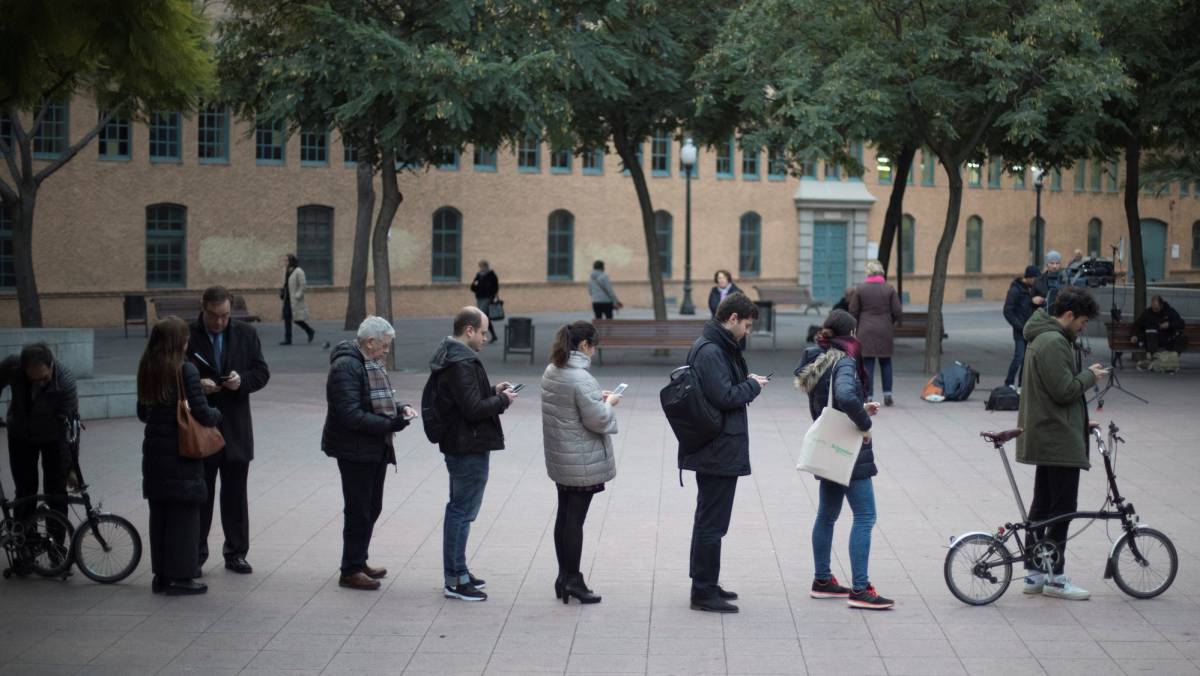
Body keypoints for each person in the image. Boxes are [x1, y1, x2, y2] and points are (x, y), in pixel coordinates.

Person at [794, 309, 892, 610]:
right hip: (848, 449)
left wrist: (861, 406)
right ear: (850, 334)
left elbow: (832, 399)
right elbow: (846, 397)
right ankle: (861, 588)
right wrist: (864, 422)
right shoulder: (845, 360)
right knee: (865, 516)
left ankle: (822, 580)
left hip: (828, 444)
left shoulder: (819, 359)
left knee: (827, 515)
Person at [681, 293, 769, 613]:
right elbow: (724, 395)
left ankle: (705, 581)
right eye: (746, 325)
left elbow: (722, 388)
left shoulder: (715, 345)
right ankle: (703, 590)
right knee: (712, 523)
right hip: (717, 448)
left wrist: (745, 381)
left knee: (709, 518)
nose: (747, 332)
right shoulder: (712, 350)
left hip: (715, 446)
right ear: (732, 319)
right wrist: (752, 387)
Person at [1016, 286, 1106, 601]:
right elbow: (1064, 390)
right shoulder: (1053, 341)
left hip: (1049, 431)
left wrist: (1079, 421)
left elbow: (1053, 394)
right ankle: (1054, 577)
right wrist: (1090, 377)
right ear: (1068, 315)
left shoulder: (1045, 337)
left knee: (1043, 505)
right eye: (1081, 322)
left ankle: (1035, 573)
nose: (1083, 328)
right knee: (1061, 509)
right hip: (1057, 438)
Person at [427, 307, 517, 601]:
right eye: (483, 331)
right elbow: (473, 409)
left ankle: (460, 570)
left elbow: (466, 398)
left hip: (462, 443)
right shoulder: (461, 362)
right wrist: (502, 401)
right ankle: (455, 579)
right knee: (461, 511)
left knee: (461, 509)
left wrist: (493, 390)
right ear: (468, 330)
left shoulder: (452, 356)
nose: (486, 337)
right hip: (467, 445)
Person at [322, 316, 415, 591]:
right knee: (359, 510)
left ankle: (359, 559)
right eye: (384, 345)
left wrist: (400, 408)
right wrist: (390, 424)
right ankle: (350, 569)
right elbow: (350, 413)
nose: (387, 350)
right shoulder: (347, 366)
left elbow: (376, 400)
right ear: (370, 341)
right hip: (354, 450)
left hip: (373, 447)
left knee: (371, 507)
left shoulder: (368, 362)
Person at [138, 316, 222, 595]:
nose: (188, 342)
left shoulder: (147, 367)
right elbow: (201, 412)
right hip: (181, 452)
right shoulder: (185, 370)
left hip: (154, 452)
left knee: (160, 515)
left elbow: (142, 412)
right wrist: (216, 410)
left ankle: (161, 575)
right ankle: (182, 578)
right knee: (185, 517)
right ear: (178, 342)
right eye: (185, 338)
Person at [189, 286, 271, 575]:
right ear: (203, 309)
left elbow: (262, 372)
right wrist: (197, 385)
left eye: (224, 316)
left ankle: (236, 552)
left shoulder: (246, 334)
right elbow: (176, 373)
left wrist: (242, 381)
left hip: (235, 426)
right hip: (202, 428)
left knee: (236, 495)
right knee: (202, 494)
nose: (219, 323)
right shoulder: (190, 335)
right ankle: (196, 554)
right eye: (213, 316)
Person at [540, 321, 620, 605]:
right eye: (594, 346)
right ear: (584, 346)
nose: (594, 352)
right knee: (575, 521)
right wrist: (609, 403)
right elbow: (597, 419)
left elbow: (569, 406)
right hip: (581, 460)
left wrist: (596, 398)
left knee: (564, 517)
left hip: (562, 457)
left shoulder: (554, 370)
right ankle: (573, 579)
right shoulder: (581, 377)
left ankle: (563, 576)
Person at [0, 344, 78, 529]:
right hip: (21, 434)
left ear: (51, 365)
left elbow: (71, 430)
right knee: (26, 491)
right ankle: (26, 543)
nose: (40, 383)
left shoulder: (65, 382)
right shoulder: (13, 364)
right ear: (23, 368)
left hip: (54, 437)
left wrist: (71, 468)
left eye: (44, 378)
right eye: (33, 379)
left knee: (56, 492)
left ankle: (56, 548)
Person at [849, 261, 901, 406]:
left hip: (866, 330)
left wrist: (857, 326)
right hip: (885, 329)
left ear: (868, 273)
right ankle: (888, 394)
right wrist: (889, 322)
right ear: (881, 272)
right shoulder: (889, 288)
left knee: (867, 364)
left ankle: (868, 395)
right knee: (886, 361)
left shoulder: (861, 289)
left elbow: (853, 311)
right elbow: (897, 310)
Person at [1002, 266, 1039, 389]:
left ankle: (1022, 385)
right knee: (1019, 357)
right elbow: (1007, 311)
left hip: (1030, 330)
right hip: (1020, 330)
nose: (1036, 281)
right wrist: (1019, 326)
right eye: (1034, 278)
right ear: (1028, 277)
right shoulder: (1015, 290)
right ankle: (1009, 382)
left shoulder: (1031, 289)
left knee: (1026, 359)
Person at [281, 254, 316, 345]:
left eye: (286, 260)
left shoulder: (298, 271)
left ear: (291, 261)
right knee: (287, 318)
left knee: (297, 319)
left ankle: (309, 330)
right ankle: (288, 339)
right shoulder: (286, 271)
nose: (284, 262)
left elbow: (303, 285)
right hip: (287, 299)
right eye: (284, 260)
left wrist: (298, 295)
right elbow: (285, 283)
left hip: (295, 299)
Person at [470, 260, 500, 343]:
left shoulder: (491, 275)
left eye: (482, 266)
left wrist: (493, 296)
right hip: (480, 298)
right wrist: (475, 286)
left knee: (481, 317)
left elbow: (495, 287)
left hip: (487, 298)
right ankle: (493, 335)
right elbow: (473, 286)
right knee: (485, 318)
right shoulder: (478, 275)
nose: (480, 268)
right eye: (480, 266)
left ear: (486, 266)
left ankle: (478, 337)